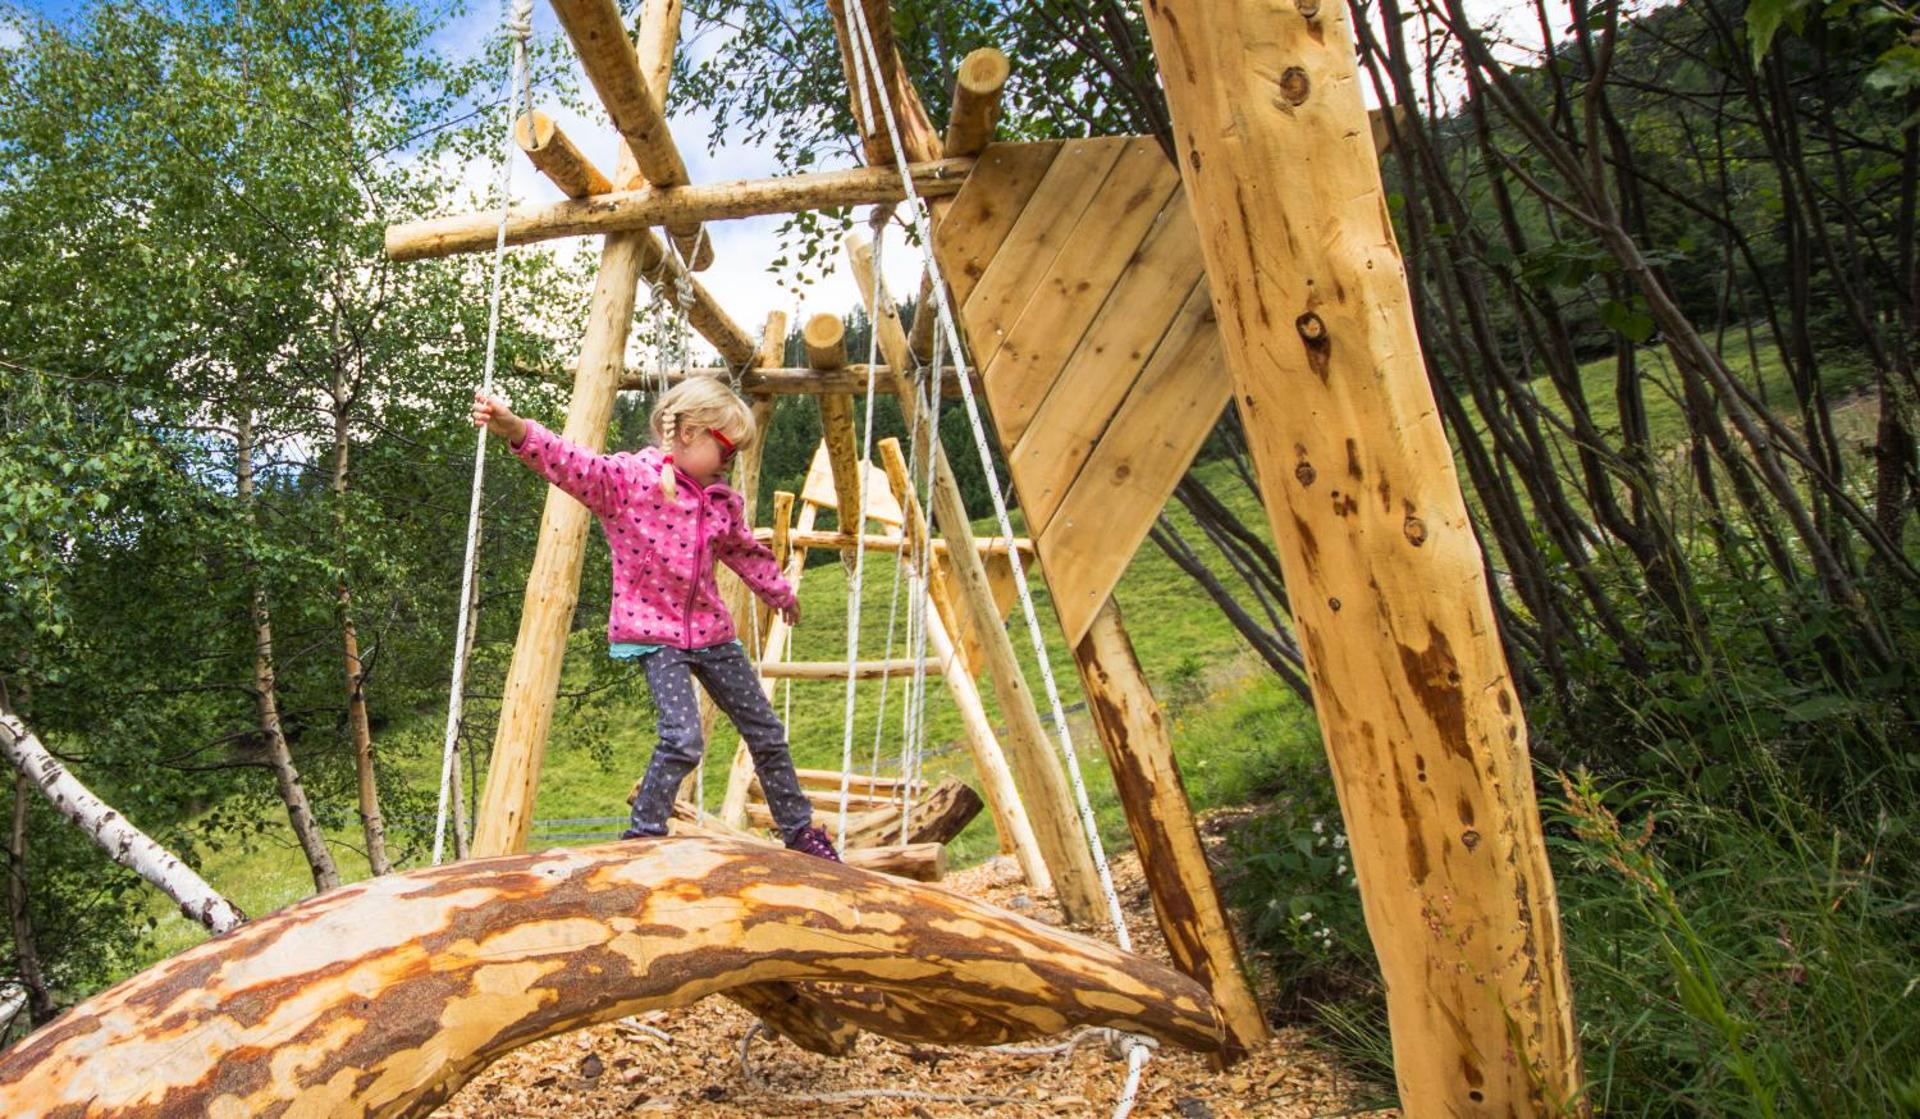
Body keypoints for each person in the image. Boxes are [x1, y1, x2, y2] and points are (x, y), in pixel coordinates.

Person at [470, 379, 841, 861]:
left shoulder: (721, 500)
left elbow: (743, 551)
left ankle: (800, 831)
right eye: (727, 448)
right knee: (683, 738)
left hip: (712, 633)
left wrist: (778, 592)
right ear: (688, 432)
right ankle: (643, 833)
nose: (732, 460)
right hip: (654, 634)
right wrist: (515, 428)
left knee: (765, 731)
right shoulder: (630, 481)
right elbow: (571, 464)